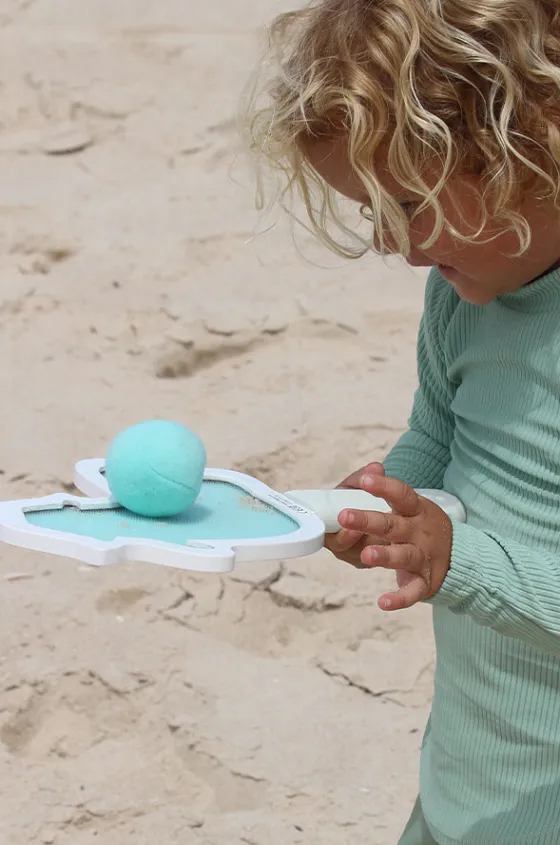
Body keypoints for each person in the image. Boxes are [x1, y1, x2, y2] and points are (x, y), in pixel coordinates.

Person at [244, 1, 560, 843]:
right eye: (370, 209)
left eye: (410, 201)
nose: (392, 241)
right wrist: (390, 499)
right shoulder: (465, 296)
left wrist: (456, 559)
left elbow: (470, 561)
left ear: (533, 141)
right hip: (467, 773)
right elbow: (437, 434)